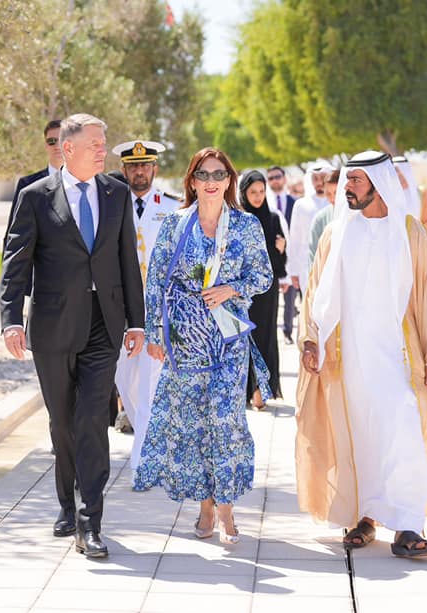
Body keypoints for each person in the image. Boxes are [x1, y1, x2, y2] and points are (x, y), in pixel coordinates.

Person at [296, 151, 427, 559]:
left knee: (404, 433)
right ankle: (363, 517)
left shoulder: (409, 233)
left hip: (400, 358)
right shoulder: (336, 233)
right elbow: (315, 292)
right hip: (349, 360)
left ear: (379, 184)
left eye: (356, 180)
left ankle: (407, 523)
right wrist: (310, 340)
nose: (347, 188)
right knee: (359, 436)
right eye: (347, 180)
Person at [0, 113, 145, 558]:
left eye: (103, 142)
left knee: (92, 420)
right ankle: (67, 503)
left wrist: (136, 320)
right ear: (68, 149)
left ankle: (89, 521)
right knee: (62, 422)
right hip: (53, 326)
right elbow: (16, 260)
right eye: (95, 144)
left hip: (104, 323)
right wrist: (10, 318)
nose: (104, 150)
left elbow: (126, 259)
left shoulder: (116, 193)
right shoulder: (34, 197)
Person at [135, 148, 273, 545]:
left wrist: (232, 288)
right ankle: (206, 506)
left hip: (229, 337)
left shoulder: (245, 225)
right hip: (186, 338)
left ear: (229, 180)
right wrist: (155, 333)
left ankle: (226, 504)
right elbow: (156, 281)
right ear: (192, 181)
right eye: (203, 174)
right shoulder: (176, 223)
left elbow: (263, 276)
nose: (211, 181)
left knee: (226, 420)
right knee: (194, 423)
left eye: (219, 174)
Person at [110, 140, 182, 472]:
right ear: (124, 170)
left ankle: (145, 455)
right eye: (133, 166)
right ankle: (150, 436)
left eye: (145, 165)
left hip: (159, 310)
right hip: (121, 310)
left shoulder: (172, 207)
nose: (139, 171)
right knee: (125, 379)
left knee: (153, 381)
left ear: (154, 169)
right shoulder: (111, 206)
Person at [240, 170, 287, 409]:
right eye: (253, 192)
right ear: (244, 193)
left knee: (265, 336)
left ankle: (261, 388)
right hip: (243, 290)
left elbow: (279, 265)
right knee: (244, 338)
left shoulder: (273, 219)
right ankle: (246, 389)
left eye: (261, 191)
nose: (258, 197)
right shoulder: (238, 220)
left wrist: (280, 250)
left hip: (267, 291)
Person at [6, 119, 64, 234]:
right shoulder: (27, 184)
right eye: (51, 141)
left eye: (62, 140)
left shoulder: (83, 183)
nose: (57, 146)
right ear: (46, 145)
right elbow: (13, 231)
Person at [288, 161, 334, 302]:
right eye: (315, 178)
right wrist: (293, 271)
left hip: (333, 262)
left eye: (322, 177)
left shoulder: (337, 202)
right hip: (307, 264)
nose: (319, 182)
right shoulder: (301, 205)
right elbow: (294, 239)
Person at [266, 165, 297, 343]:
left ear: (284, 179)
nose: (274, 181)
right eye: (271, 178)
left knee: (290, 297)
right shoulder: (266, 204)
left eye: (277, 177)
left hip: (291, 256)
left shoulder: (295, 203)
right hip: (274, 258)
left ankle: (287, 331)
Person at [392, 156, 427, 251]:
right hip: (396, 243)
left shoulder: (422, 193)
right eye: (395, 173)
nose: (398, 176)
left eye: (400, 172)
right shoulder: (388, 195)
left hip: (418, 243)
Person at [308, 169, 340, 267]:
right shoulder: (320, 218)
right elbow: (313, 255)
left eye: (336, 192)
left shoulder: (358, 216)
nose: (332, 198)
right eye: (328, 193)